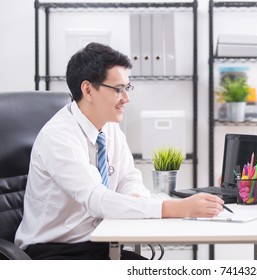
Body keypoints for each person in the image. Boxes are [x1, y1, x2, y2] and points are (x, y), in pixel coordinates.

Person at [15, 42, 224, 260]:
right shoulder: (59, 137)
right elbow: (96, 199)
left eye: (127, 87)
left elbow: (128, 177)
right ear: (88, 90)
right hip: (54, 252)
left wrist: (135, 198)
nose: (127, 98)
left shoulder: (109, 126)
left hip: (101, 241)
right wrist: (176, 208)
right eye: (118, 89)